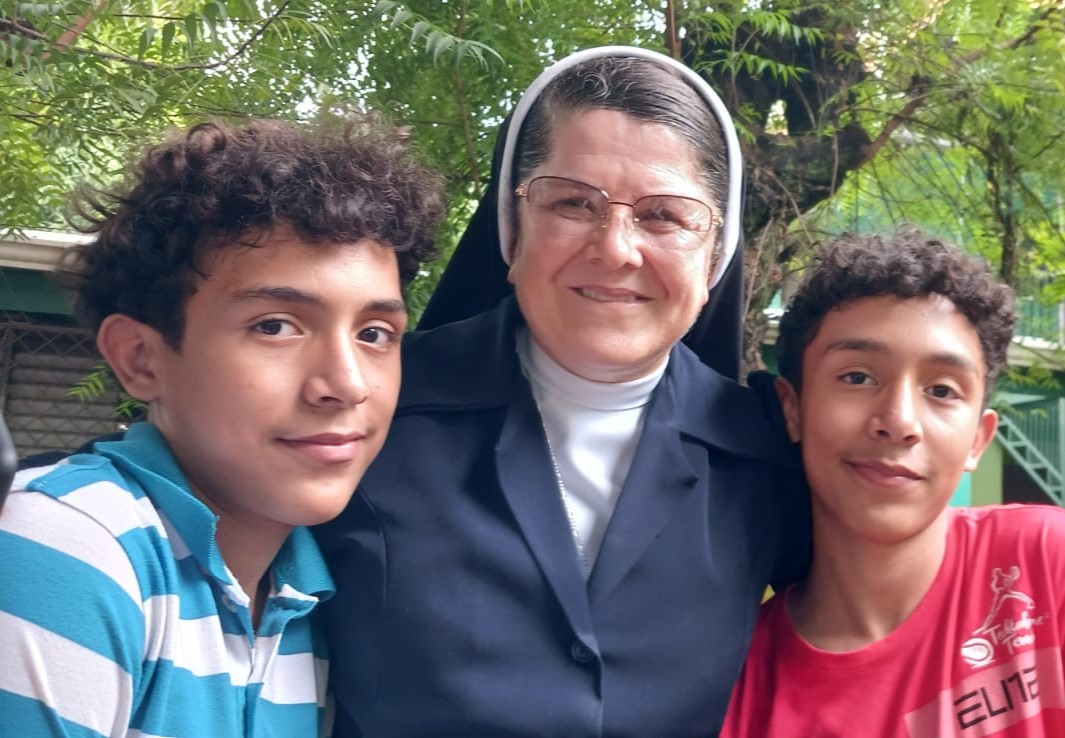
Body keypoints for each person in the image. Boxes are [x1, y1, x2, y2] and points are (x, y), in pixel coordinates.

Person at [312, 45, 812, 738]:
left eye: (664, 216)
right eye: (573, 202)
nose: (615, 248)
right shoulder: (367, 406)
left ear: (714, 255)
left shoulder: (768, 457)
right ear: (511, 232)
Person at [0, 116, 442, 737]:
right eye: (275, 326)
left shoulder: (301, 601)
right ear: (140, 359)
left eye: (374, 334)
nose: (346, 384)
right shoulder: (69, 546)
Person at [720, 231, 1065, 737]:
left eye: (942, 390)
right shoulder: (741, 694)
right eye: (857, 377)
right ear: (793, 407)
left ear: (977, 439)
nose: (899, 421)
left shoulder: (1056, 567)